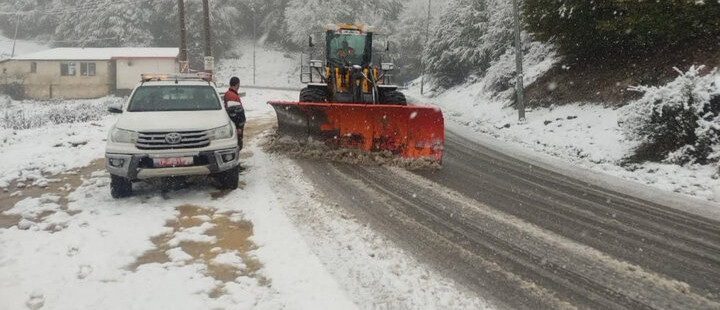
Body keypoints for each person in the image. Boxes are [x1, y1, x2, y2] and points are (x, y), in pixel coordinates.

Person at [223, 76, 246, 150]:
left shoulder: (227, 93)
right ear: (237, 85)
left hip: (231, 121)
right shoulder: (233, 96)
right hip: (236, 123)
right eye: (239, 84)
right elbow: (236, 112)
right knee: (237, 144)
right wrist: (239, 126)